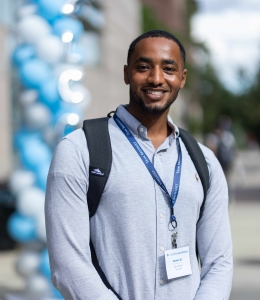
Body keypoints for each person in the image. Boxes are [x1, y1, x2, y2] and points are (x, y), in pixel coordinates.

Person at [45, 30, 233, 300]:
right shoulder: (80, 150)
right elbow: (68, 265)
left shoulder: (204, 162)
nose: (156, 79)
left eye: (169, 69)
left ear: (182, 78)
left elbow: (219, 262)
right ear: (126, 73)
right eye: (143, 67)